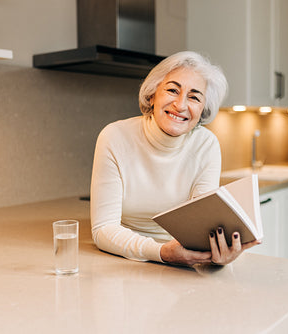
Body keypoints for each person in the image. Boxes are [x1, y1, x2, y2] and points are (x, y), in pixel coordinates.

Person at [90, 51, 260, 266]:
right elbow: (103, 229)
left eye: (194, 97)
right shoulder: (114, 137)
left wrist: (216, 252)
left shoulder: (206, 145)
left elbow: (204, 226)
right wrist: (161, 252)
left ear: (202, 110)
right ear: (152, 95)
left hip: (184, 259)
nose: (180, 105)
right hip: (124, 257)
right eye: (172, 90)